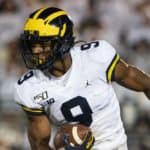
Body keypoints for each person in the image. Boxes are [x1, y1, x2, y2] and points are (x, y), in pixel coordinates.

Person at [14, 7, 150, 150]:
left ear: (63, 42)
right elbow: (39, 144)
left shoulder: (96, 56)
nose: (35, 51)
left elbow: (145, 84)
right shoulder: (29, 87)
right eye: (32, 45)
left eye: (42, 44)